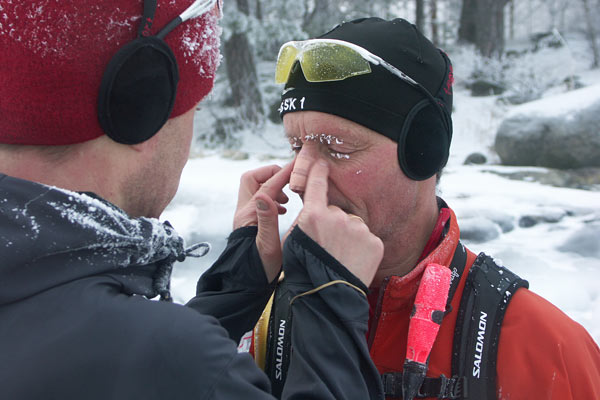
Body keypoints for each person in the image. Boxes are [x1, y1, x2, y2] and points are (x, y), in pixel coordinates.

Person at [0, 2, 385, 399]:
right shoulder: (169, 359)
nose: (303, 176)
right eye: (193, 110)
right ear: (142, 106)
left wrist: (239, 278)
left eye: (336, 147)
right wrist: (331, 306)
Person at [248, 17, 600, 400]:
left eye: (338, 148)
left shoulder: (546, 348)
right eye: (296, 146)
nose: (298, 179)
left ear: (423, 152)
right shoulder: (261, 317)